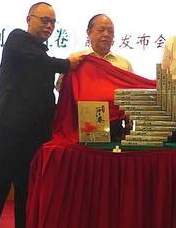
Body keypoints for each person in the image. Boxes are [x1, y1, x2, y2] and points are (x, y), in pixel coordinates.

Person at [0, 2, 81, 228]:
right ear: (29, 19)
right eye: (44, 20)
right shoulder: (18, 40)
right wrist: (70, 65)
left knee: (28, 195)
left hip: (34, 135)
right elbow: (45, 63)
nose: (49, 26)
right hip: (6, 131)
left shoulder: (41, 53)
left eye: (53, 22)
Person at [55, 13, 133, 141]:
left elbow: (131, 96)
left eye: (110, 31)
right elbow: (61, 89)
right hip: (82, 126)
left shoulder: (123, 63)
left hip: (115, 128)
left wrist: (129, 124)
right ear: (89, 32)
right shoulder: (76, 60)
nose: (106, 34)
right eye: (101, 30)